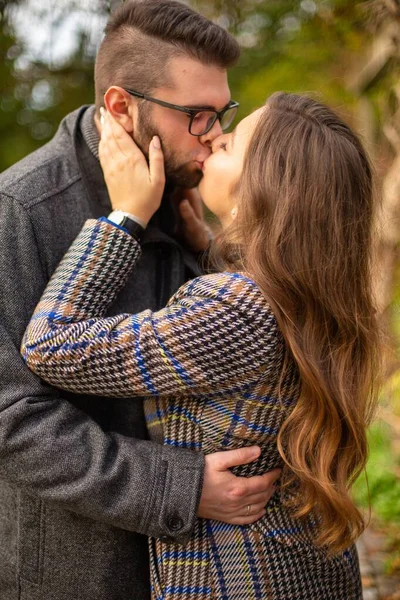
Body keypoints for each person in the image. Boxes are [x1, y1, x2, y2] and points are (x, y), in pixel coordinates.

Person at [22, 92, 380, 599]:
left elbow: (52, 346)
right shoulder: (321, 294)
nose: (211, 139)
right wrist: (208, 244)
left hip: (233, 582)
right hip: (306, 575)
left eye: (229, 143)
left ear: (263, 187)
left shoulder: (233, 307)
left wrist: (125, 218)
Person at [0, 2, 279, 599]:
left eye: (220, 113)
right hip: (80, 574)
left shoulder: (183, 198)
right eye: (197, 116)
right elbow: (10, 417)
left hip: (201, 567)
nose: (213, 137)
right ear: (122, 108)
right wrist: (175, 487)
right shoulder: (20, 210)